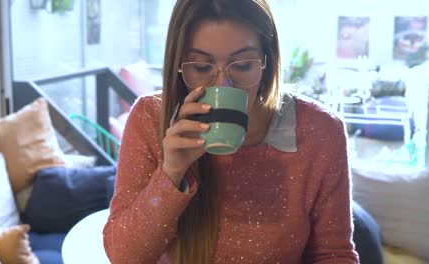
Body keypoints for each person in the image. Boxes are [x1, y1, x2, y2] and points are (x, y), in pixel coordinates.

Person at [103, 0, 359, 263]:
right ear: (179, 66)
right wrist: (170, 174)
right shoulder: (151, 118)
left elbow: (334, 253)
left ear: (266, 63)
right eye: (201, 67)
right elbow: (124, 256)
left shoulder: (319, 131)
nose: (223, 85)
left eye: (242, 65)